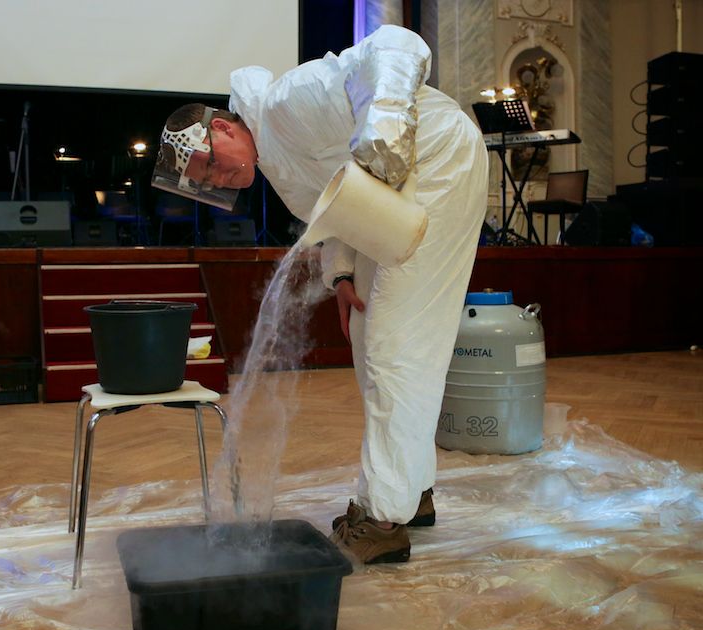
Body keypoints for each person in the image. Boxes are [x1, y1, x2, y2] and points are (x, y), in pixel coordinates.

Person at [153, 24, 489, 564]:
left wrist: (386, 125)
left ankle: (383, 518)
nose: (220, 175)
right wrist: (341, 277)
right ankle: (411, 488)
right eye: (207, 177)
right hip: (404, 191)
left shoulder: (288, 102)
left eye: (213, 160)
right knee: (370, 337)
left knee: (396, 349)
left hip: (439, 166)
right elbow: (333, 212)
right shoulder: (275, 162)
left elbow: (397, 45)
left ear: (222, 126)